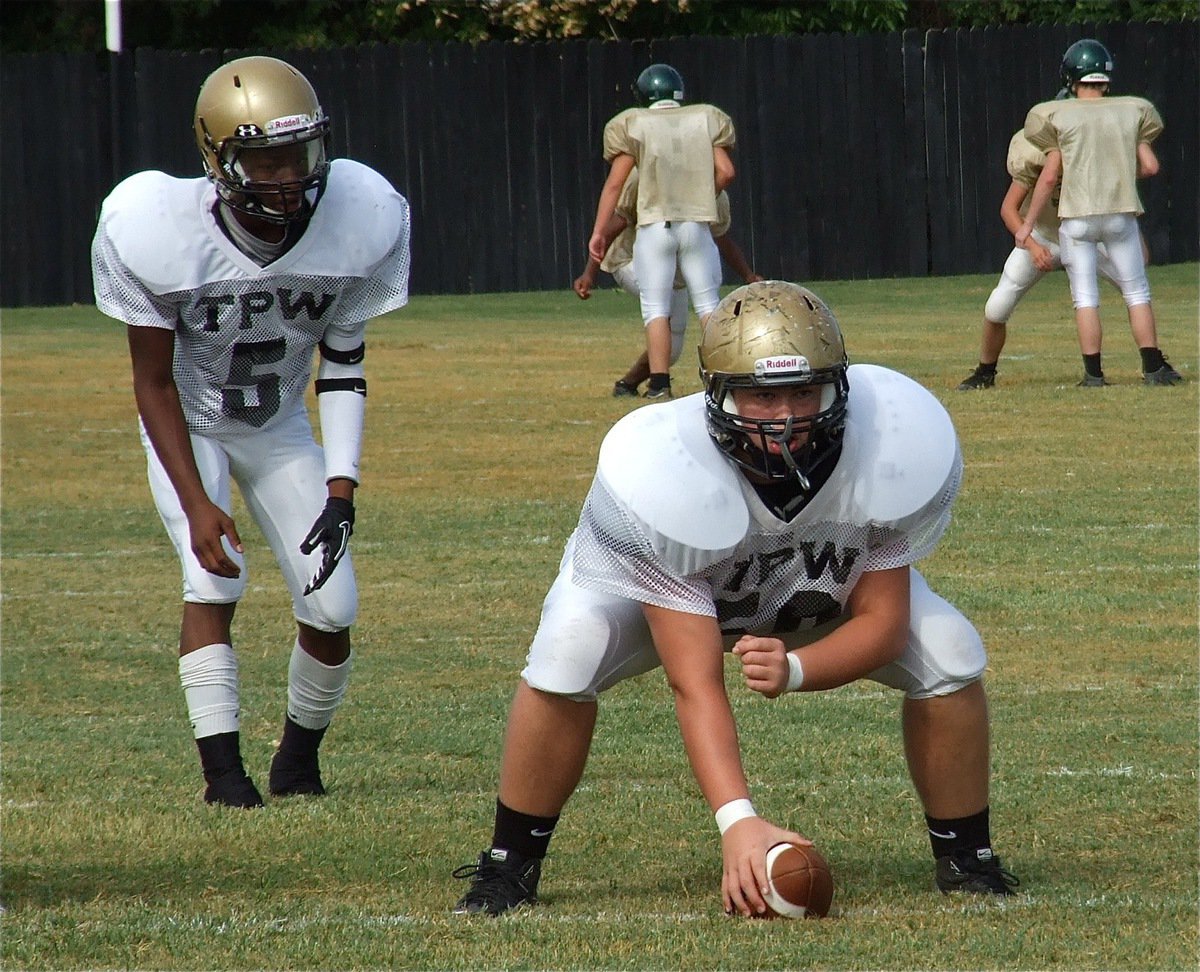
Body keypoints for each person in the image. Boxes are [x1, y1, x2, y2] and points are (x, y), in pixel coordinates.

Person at [451, 281, 1019, 918]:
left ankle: (967, 857)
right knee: (568, 651)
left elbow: (885, 624)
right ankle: (509, 864)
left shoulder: (889, 442)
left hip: (811, 602)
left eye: (804, 391)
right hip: (657, 604)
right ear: (716, 394)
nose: (785, 416)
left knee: (948, 649)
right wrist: (738, 821)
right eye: (761, 395)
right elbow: (695, 683)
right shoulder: (663, 471)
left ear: (840, 385)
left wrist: (796, 668)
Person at [91, 56, 411, 808]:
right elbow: (153, 382)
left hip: (278, 425)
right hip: (193, 422)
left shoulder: (359, 216)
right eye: (263, 160)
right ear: (219, 158)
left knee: (334, 609)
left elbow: (343, 363)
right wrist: (199, 504)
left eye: (296, 156)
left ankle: (297, 765)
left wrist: (342, 485)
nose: (285, 177)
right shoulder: (156, 228)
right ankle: (223, 777)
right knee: (215, 575)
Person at [1016, 39, 1182, 387]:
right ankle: (1153, 367)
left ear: (1070, 76)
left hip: (1077, 217)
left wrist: (1027, 225)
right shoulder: (1131, 110)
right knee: (1137, 291)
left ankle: (1094, 374)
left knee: (1086, 297)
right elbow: (1150, 166)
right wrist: (1116, 173)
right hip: (1120, 214)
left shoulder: (1057, 115)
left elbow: (1048, 177)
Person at [957, 125, 1151, 390]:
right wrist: (1034, 247)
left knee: (1136, 291)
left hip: (1089, 237)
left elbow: (1119, 197)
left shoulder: (1092, 154)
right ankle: (985, 371)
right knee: (997, 307)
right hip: (1045, 236)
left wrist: (1134, 240)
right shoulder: (1033, 156)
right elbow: (1008, 209)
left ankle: (1154, 363)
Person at [588, 63, 736, 401]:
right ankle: (723, 378)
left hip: (656, 226)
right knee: (708, 305)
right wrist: (698, 195)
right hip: (696, 225)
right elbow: (726, 171)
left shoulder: (634, 124)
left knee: (656, 308)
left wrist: (598, 231)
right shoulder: (705, 118)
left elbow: (614, 185)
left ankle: (659, 384)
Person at [573, 168, 762, 398]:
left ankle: (628, 384)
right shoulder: (643, 175)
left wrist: (748, 275)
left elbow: (720, 238)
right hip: (628, 260)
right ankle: (662, 385)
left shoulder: (715, 193)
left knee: (671, 350)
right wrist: (589, 273)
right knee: (663, 314)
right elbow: (616, 223)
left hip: (674, 276)